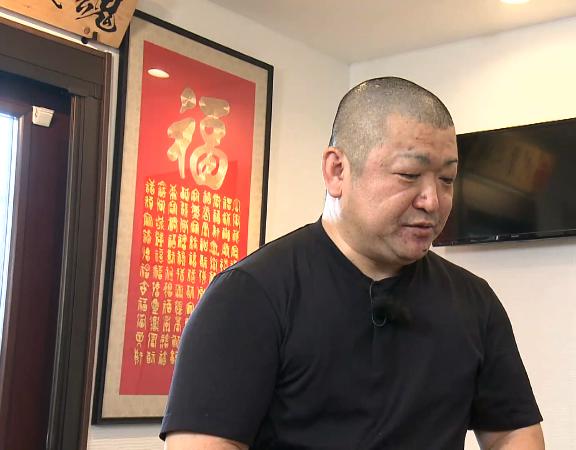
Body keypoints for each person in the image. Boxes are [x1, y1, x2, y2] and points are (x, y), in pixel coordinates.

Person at [160, 77, 545, 449]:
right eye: (409, 175)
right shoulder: (251, 293)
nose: (433, 200)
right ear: (337, 170)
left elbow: (512, 433)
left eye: (447, 179)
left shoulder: (473, 301)